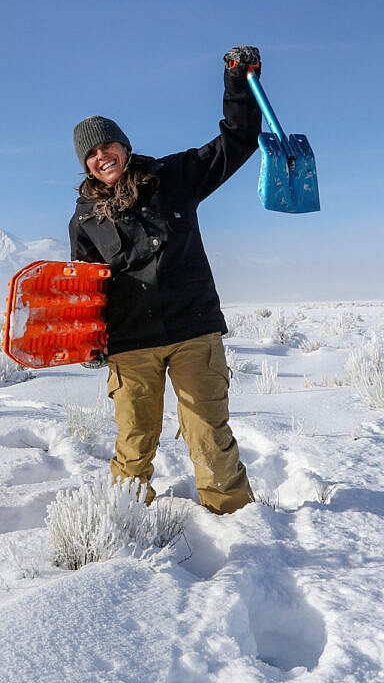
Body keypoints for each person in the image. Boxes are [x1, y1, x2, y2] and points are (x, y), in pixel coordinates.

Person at [68, 45, 263, 515]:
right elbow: (85, 292)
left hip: (193, 331)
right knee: (133, 444)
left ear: (124, 144)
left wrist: (238, 81)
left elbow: (238, 138)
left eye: (107, 145)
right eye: (91, 154)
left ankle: (236, 521)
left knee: (209, 436)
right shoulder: (85, 219)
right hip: (131, 343)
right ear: (85, 164)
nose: (102, 157)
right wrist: (90, 341)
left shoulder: (173, 176)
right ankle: (126, 521)